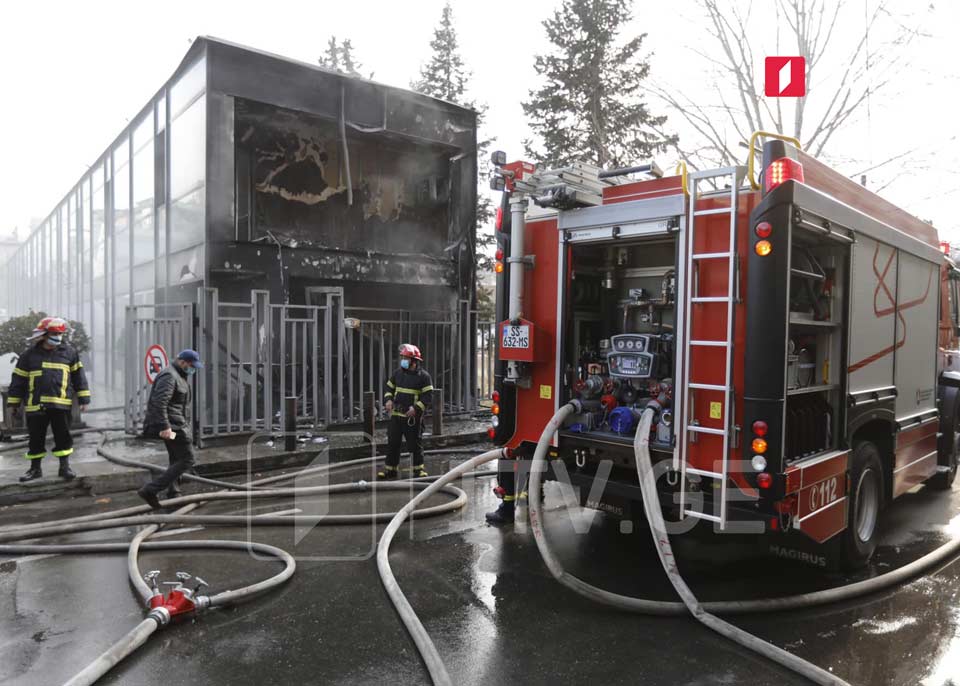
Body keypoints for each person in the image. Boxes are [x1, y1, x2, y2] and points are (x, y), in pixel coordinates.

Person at [6, 317, 91, 482]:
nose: (58, 337)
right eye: (54, 333)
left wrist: (84, 398)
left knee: (63, 437)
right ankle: (35, 469)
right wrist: (14, 403)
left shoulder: (70, 353)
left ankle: (64, 468)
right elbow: (18, 380)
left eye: (60, 334)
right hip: (35, 406)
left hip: (61, 405)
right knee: (36, 438)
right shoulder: (28, 356)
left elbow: (79, 376)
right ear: (43, 335)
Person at [137, 349, 202, 509]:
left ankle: (173, 491)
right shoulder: (169, 376)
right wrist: (165, 427)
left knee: (176, 456)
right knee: (187, 458)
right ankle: (150, 490)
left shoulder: (179, 375)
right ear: (182, 362)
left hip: (175, 424)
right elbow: (159, 403)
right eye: (191, 366)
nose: (193, 369)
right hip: (172, 426)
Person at [377, 344, 433, 480]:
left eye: (406, 358)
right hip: (396, 416)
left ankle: (418, 470)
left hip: (412, 418)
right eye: (402, 357)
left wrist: (416, 408)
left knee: (414, 444)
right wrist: (388, 400)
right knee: (393, 443)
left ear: (414, 361)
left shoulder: (424, 377)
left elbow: (428, 397)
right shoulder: (397, 373)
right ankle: (391, 470)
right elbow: (388, 388)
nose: (403, 360)